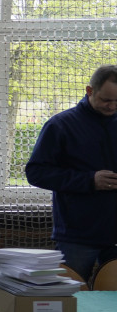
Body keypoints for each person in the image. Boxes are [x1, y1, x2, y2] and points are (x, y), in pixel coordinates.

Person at [25, 64, 117, 282]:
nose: (112, 106)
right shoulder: (60, 125)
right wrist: (89, 180)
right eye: (106, 100)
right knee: (69, 301)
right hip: (77, 236)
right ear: (89, 91)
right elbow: (36, 172)